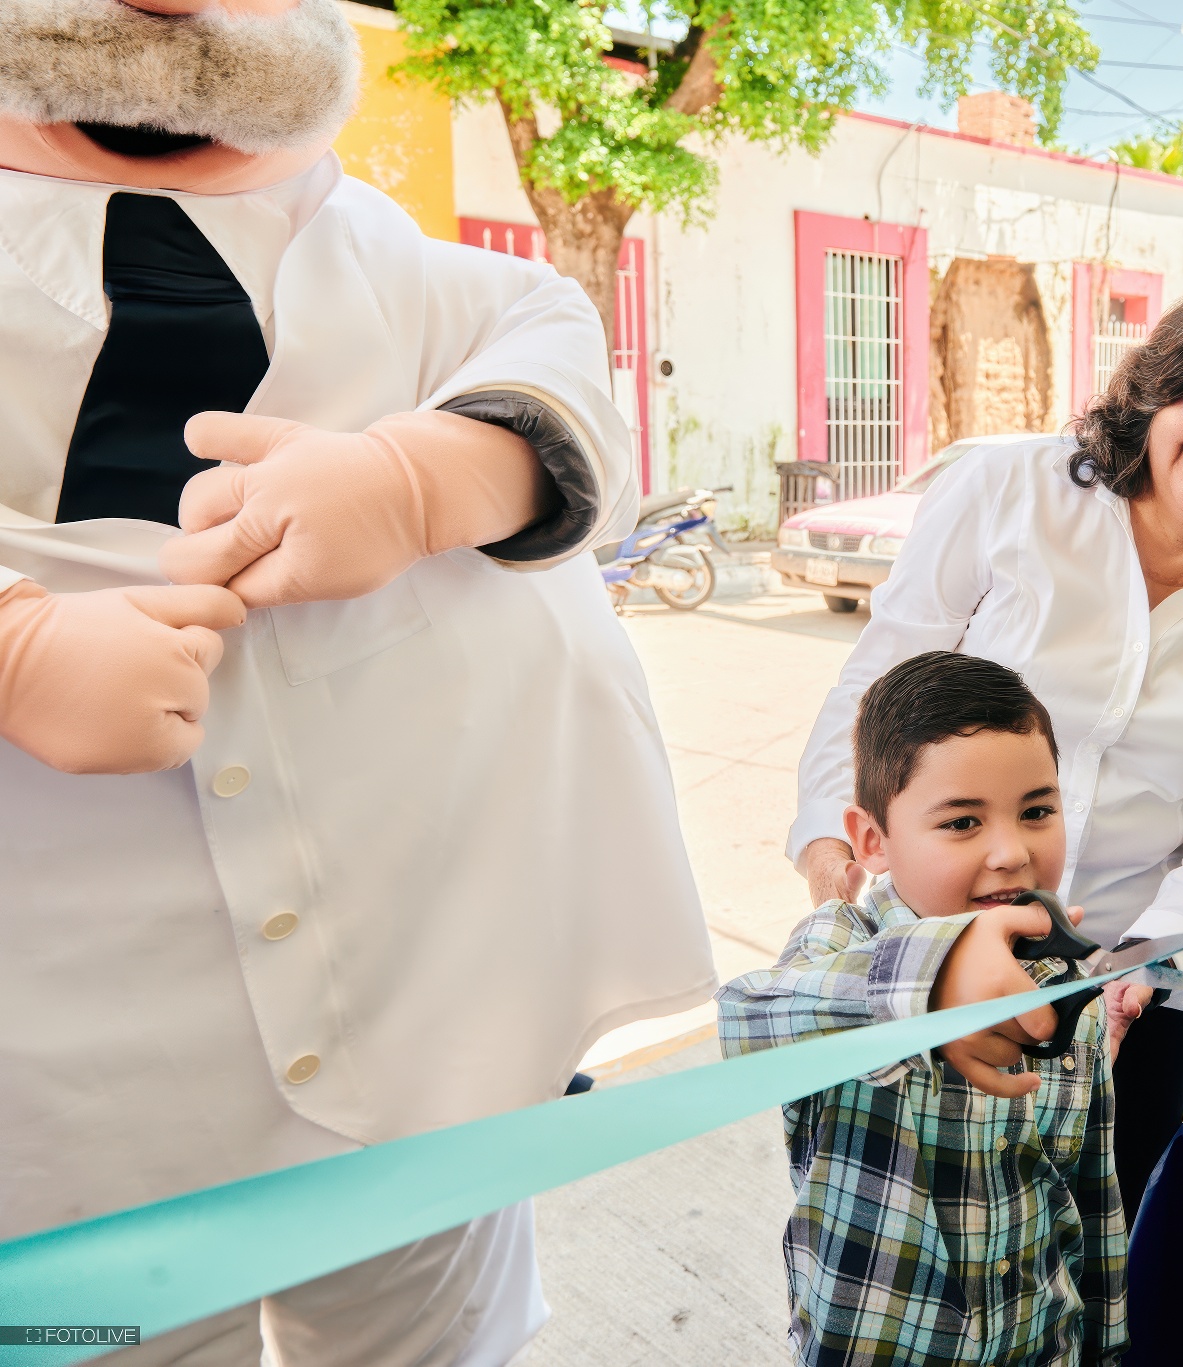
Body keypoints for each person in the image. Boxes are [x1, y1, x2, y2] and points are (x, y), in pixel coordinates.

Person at [0, 2, 717, 1361]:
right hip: (60, 1111)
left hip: (415, 1039)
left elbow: (554, 356)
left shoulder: (407, 268)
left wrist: (426, 472)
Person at [787, 271, 1183, 1213]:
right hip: (933, 952)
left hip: (1131, 989)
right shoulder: (1010, 488)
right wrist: (833, 856)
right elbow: (877, 682)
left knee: (1094, 1251)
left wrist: (1133, 972)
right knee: (903, 1239)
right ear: (1164, 377)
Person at [723, 652, 1148, 1367]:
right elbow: (746, 1020)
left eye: (1037, 810)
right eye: (961, 822)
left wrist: (1105, 1340)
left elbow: (1092, 1191)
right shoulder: (843, 944)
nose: (1012, 851)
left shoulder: (1065, 981)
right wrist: (930, 981)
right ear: (872, 840)